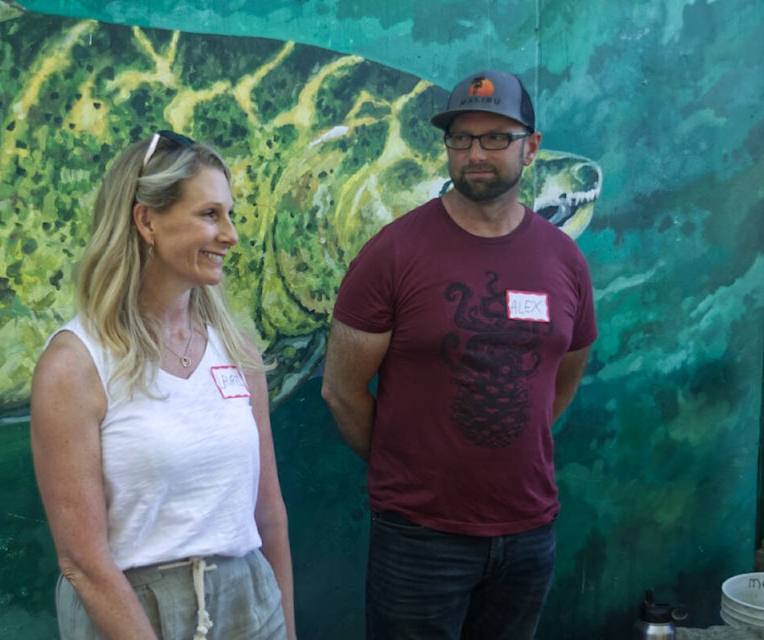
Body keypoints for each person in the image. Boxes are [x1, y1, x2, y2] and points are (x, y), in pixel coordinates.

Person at [321, 70, 597, 640]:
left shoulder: (563, 260)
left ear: (532, 147)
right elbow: (342, 391)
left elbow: (565, 372)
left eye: (496, 137)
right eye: (462, 137)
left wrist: (510, 446)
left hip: (528, 532)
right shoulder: (392, 253)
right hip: (419, 537)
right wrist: (407, 471)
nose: (476, 152)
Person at [31, 131, 297, 640]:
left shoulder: (238, 351)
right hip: (130, 614)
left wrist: (285, 627)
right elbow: (83, 562)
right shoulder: (75, 365)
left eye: (230, 214)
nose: (231, 234)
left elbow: (269, 514)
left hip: (250, 603)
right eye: (210, 214)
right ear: (145, 220)